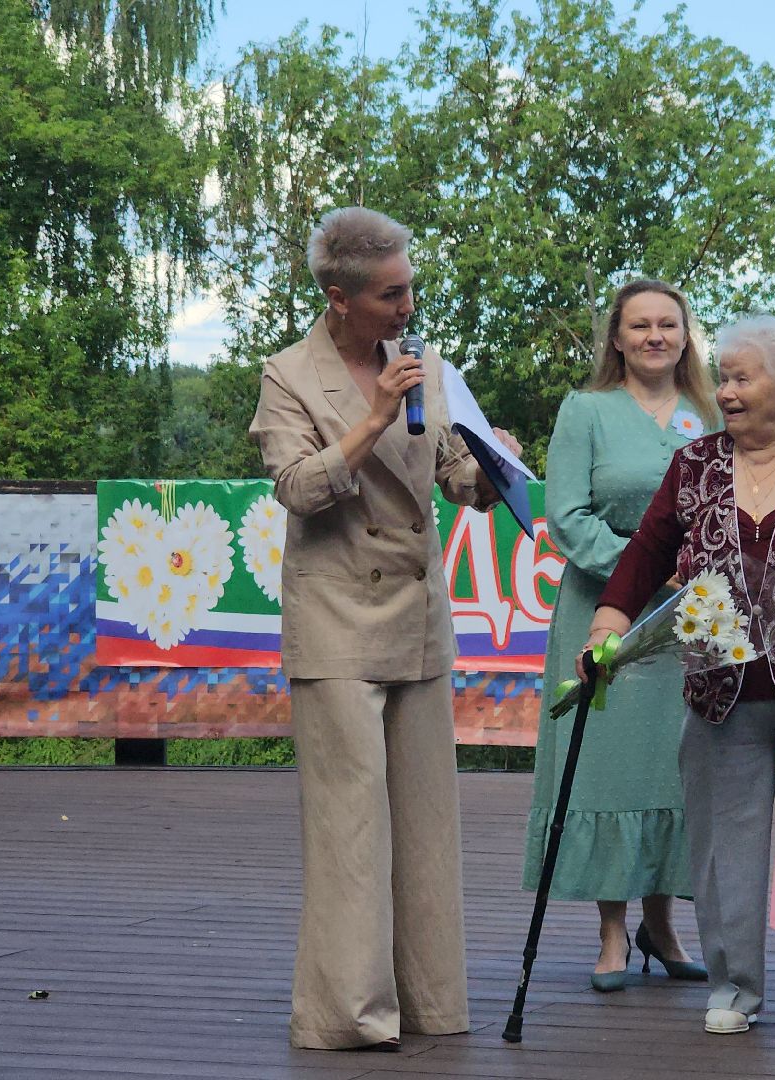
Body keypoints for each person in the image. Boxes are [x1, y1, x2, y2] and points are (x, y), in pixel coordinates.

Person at [249, 206, 521, 1052]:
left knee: (428, 824)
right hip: (335, 615)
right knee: (349, 825)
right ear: (339, 296)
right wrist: (372, 418)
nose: (408, 309)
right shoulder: (288, 373)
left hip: (416, 617)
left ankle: (431, 1003)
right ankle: (346, 1015)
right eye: (391, 294)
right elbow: (297, 488)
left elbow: (451, 479)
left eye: (411, 290)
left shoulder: (427, 367)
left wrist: (489, 465)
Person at [586, 315, 775, 1037]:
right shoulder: (696, 463)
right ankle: (735, 989)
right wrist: (607, 626)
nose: (727, 391)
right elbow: (649, 550)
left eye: (743, 377)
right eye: (725, 376)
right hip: (719, 684)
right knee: (723, 850)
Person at [523, 279, 715, 990]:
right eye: (640, 325)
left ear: (686, 335)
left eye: (669, 323)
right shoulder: (587, 411)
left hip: (689, 618)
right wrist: (643, 571)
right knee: (608, 765)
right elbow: (567, 519)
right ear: (617, 337)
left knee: (676, 764)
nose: (656, 336)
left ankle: (660, 926)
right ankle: (610, 935)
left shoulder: (711, 410)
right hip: (603, 605)